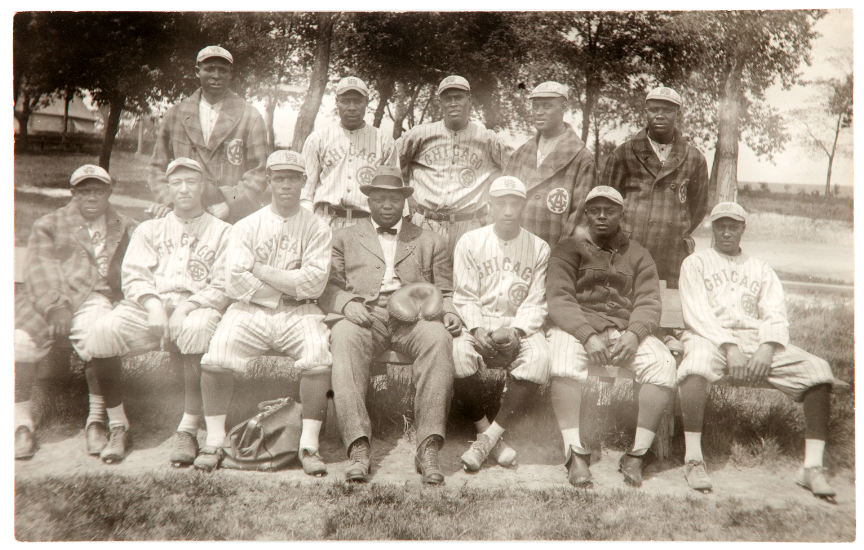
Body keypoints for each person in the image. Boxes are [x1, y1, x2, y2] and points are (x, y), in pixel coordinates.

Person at [676, 202, 837, 498]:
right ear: (712, 228)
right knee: (695, 365)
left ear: (742, 229)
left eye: (733, 226)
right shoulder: (696, 263)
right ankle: (694, 459)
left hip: (756, 340)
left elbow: (775, 313)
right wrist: (729, 346)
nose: (726, 232)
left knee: (818, 370)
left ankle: (811, 467)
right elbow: (696, 314)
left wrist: (767, 347)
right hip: (708, 337)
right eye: (721, 225)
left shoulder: (760, 267)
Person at [194, 150, 333, 476]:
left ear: (304, 181)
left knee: (318, 355)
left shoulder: (317, 227)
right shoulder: (245, 226)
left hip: (301, 312)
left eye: (293, 178)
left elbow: (313, 285)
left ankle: (309, 445)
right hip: (249, 310)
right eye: (279, 178)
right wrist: (288, 283)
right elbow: (235, 282)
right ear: (269, 181)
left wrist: (259, 268)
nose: (286, 185)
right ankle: (214, 441)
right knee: (218, 352)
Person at [319, 165, 460, 485]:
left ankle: (428, 447)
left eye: (394, 200)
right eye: (379, 199)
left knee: (438, 339)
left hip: (416, 318)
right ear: (368, 202)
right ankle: (358, 446)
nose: (386, 205)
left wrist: (449, 312)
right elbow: (328, 288)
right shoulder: (343, 237)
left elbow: (446, 290)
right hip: (366, 316)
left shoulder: (430, 239)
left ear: (404, 203)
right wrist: (346, 304)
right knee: (343, 335)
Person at [86, 158, 232, 465]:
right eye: (176, 183)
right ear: (167, 188)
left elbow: (224, 284)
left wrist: (187, 307)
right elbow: (134, 275)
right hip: (147, 307)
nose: (184, 189)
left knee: (195, 329)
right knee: (101, 332)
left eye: (191, 182)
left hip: (197, 305)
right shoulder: (149, 229)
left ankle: (188, 428)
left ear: (203, 186)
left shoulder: (223, 232)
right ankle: (117, 425)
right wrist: (154, 306)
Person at [545, 186, 677, 487]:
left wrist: (635, 334)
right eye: (595, 210)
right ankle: (575, 453)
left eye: (610, 210)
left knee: (661, 364)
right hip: (578, 328)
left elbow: (648, 302)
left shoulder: (638, 253)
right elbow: (559, 299)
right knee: (563, 360)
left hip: (623, 330)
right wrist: (586, 334)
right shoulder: (568, 248)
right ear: (587, 212)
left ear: (622, 214)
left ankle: (637, 455)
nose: (602, 216)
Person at [15, 165, 136, 460]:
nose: (92, 197)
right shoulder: (51, 223)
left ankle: (95, 420)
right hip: (48, 298)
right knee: (20, 342)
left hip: (95, 297)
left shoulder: (124, 224)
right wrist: (55, 305)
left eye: (98, 190)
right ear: (73, 193)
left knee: (97, 337)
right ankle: (20, 423)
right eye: (84, 191)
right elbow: (39, 269)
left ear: (109, 192)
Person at [451, 176, 550, 471]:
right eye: (501, 203)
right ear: (490, 205)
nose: (508, 210)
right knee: (458, 354)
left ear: (523, 205)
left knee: (540, 359)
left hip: (519, 323)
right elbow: (464, 295)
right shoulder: (470, 241)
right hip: (478, 321)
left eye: (515, 203)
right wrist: (478, 328)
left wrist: (518, 330)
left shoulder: (539, 246)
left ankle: (487, 439)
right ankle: (486, 432)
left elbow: (536, 300)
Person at [598, 86, 710, 286]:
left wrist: (675, 228)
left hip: (673, 252)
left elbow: (698, 206)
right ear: (646, 112)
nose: (660, 115)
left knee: (670, 309)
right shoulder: (624, 153)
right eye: (654, 109)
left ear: (678, 114)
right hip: (629, 248)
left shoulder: (694, 158)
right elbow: (606, 203)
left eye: (667, 111)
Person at [149, 45, 269, 224]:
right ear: (197, 72)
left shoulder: (250, 116)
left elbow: (259, 172)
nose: (216, 75)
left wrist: (230, 204)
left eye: (222, 70)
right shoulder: (176, 114)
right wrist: (169, 199)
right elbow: (156, 167)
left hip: (229, 219)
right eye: (209, 69)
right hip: (182, 214)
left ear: (231, 74)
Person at [398, 75, 512, 253]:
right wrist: (406, 198)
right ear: (440, 103)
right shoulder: (420, 134)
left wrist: (497, 207)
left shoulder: (487, 138)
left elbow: (514, 171)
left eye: (458, 97)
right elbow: (389, 163)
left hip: (469, 225)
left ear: (469, 101)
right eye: (447, 98)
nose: (453, 103)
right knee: (421, 280)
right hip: (426, 223)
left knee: (467, 279)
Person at [504, 81, 595, 245]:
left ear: (563, 107)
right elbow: (502, 203)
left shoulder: (582, 158)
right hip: (515, 250)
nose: (539, 112)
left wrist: (561, 260)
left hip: (555, 253)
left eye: (547, 106)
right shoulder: (519, 155)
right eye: (535, 106)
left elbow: (580, 219)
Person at [301, 76, 398, 228]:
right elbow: (306, 193)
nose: (352, 107)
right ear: (337, 102)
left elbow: (393, 191)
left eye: (357, 101)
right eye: (345, 101)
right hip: (325, 220)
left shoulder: (384, 141)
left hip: (366, 223)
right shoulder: (318, 139)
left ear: (367, 102)